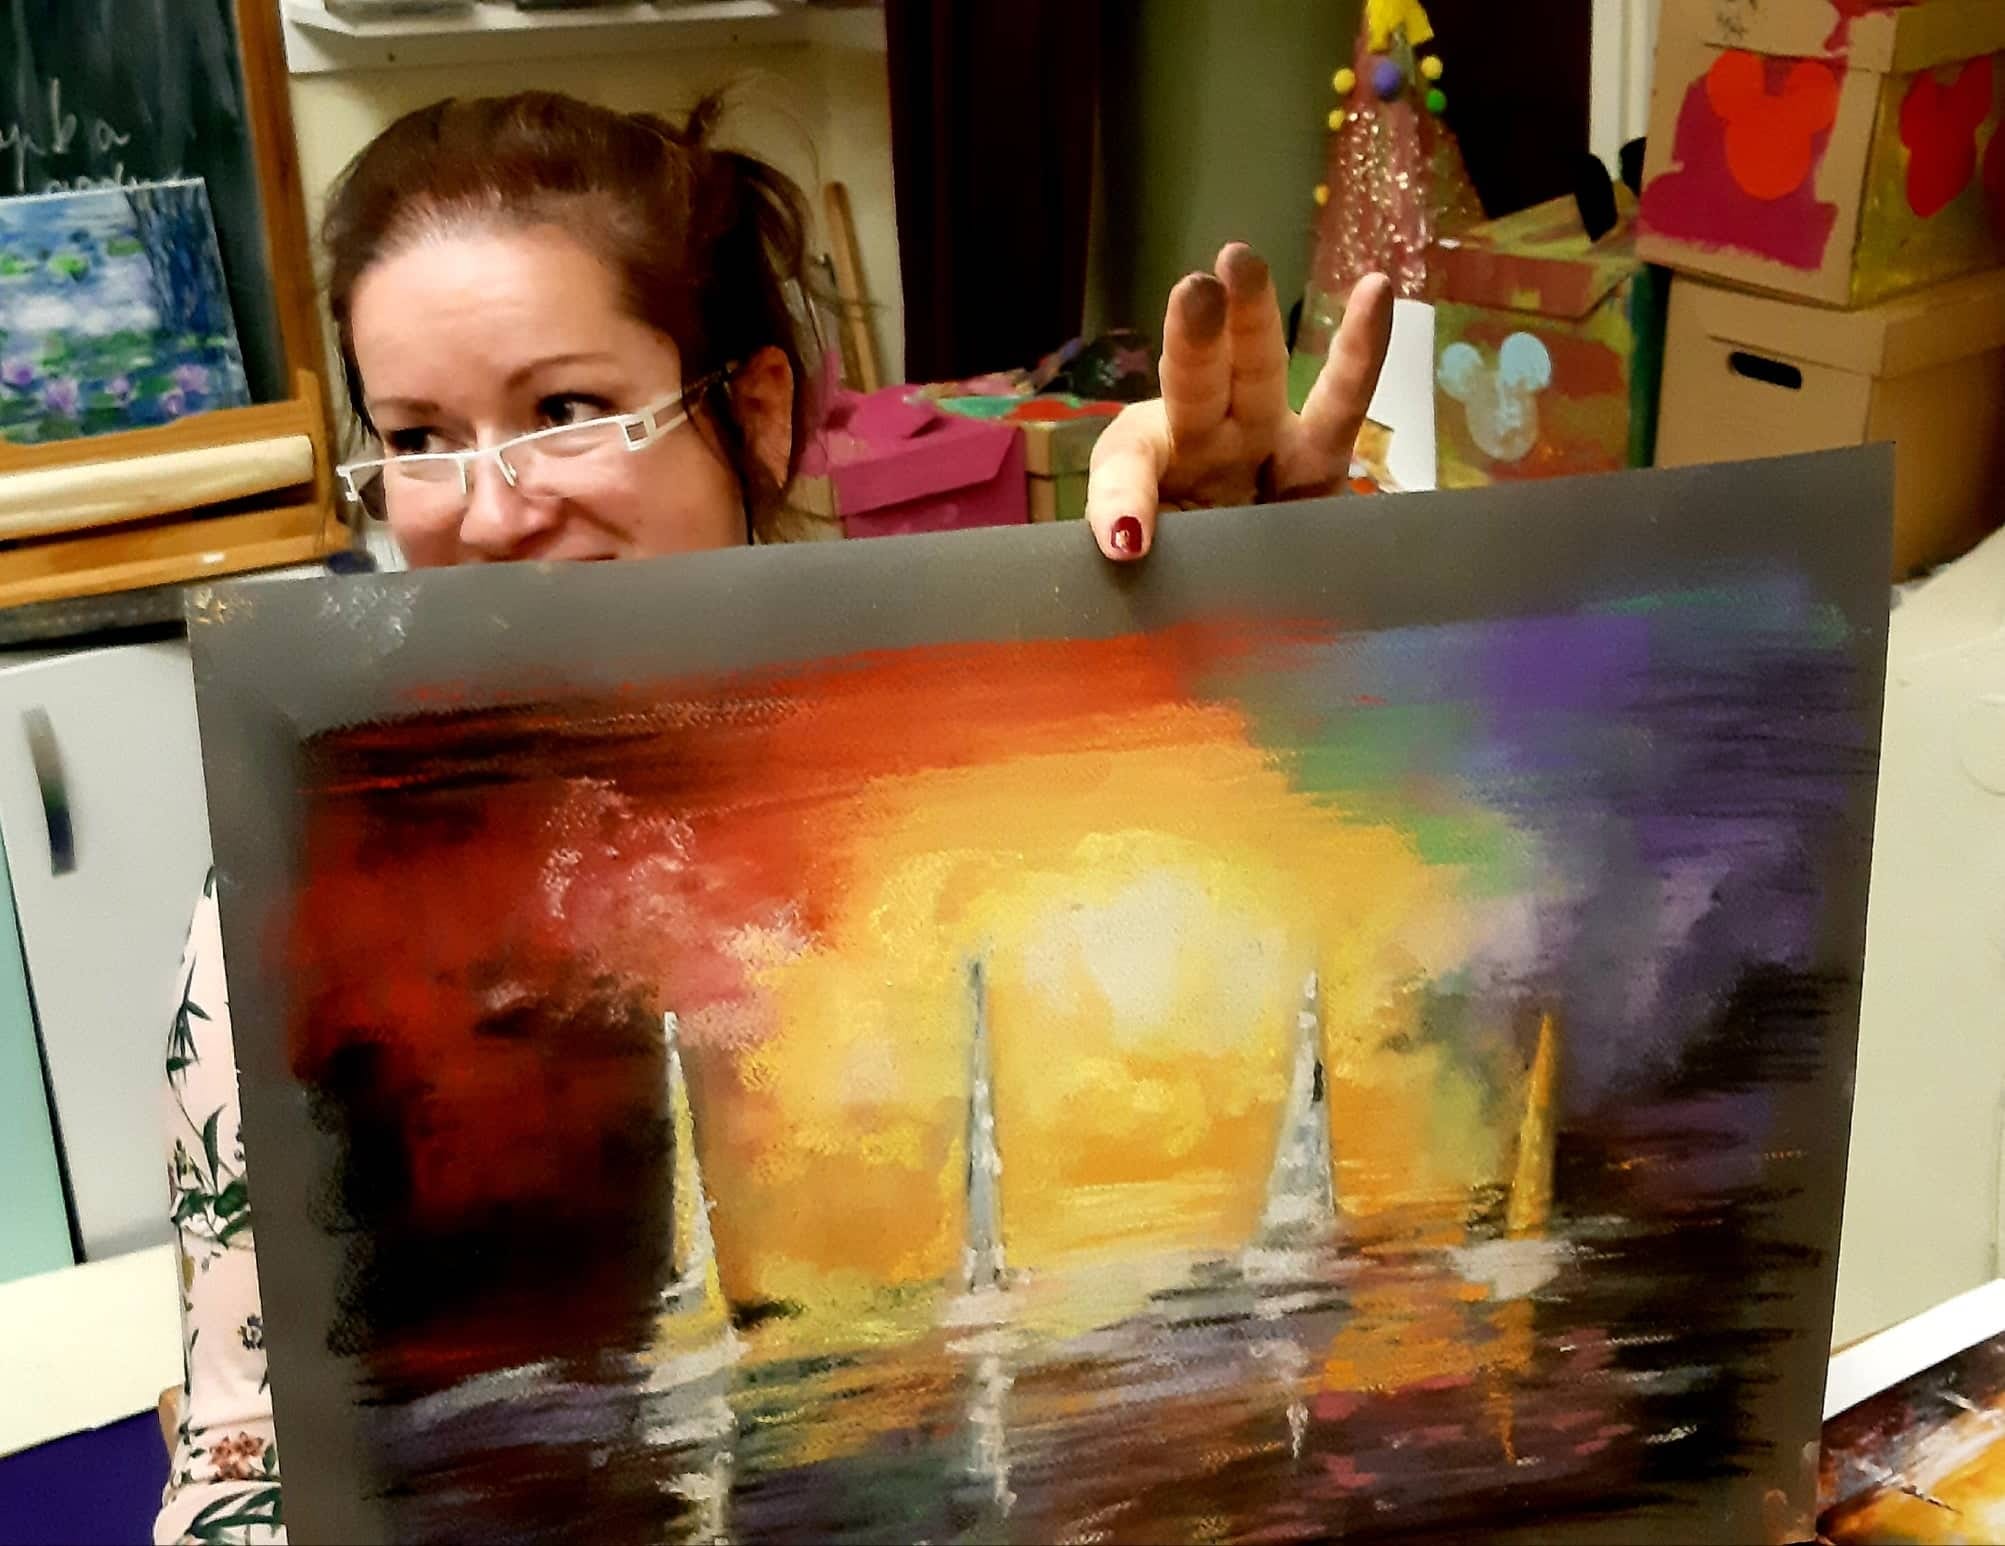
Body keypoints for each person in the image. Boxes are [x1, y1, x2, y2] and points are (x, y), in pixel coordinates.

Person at [155, 89, 1392, 1544]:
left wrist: (1245, 629)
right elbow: (244, 1460)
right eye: (418, 437)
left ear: (753, 409)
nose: (485, 515)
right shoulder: (321, 897)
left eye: (565, 414)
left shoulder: (991, 777)